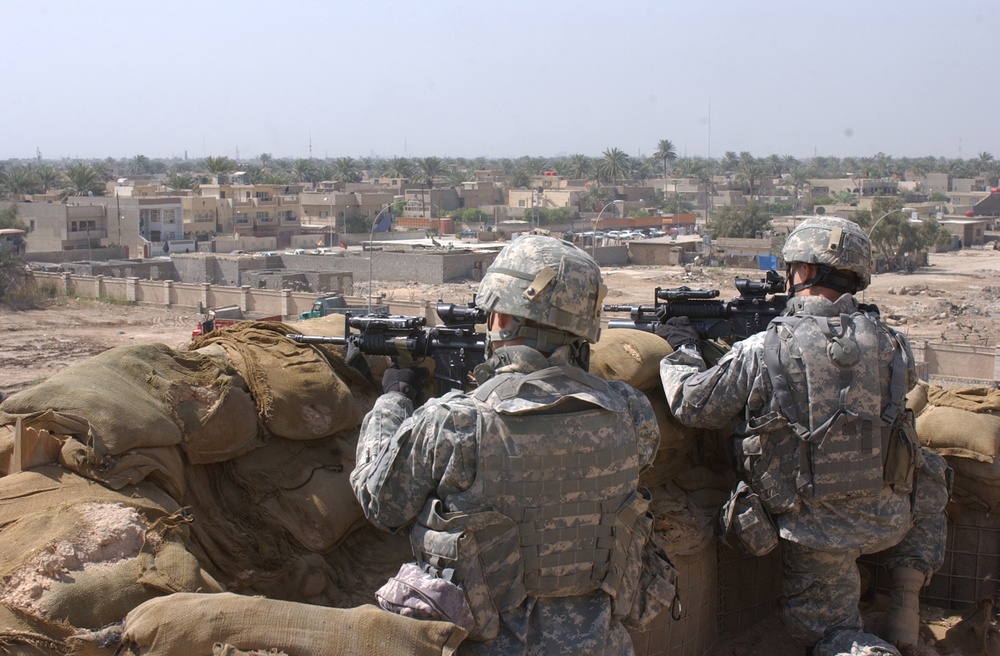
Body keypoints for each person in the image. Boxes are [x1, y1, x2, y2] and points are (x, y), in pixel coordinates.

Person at [351, 235, 665, 655]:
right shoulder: (631, 412)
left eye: (494, 314)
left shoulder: (457, 423)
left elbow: (380, 502)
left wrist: (393, 399)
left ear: (505, 318)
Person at [658, 217, 949, 656]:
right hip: (892, 517)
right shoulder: (894, 343)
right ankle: (906, 598)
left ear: (807, 272)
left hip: (814, 531)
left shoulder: (764, 348)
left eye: (792, 268)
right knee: (930, 466)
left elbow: (694, 405)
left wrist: (681, 348)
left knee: (827, 633)